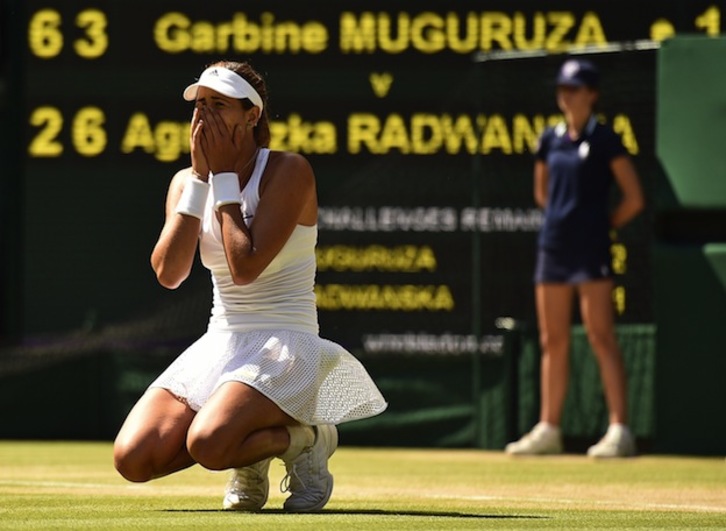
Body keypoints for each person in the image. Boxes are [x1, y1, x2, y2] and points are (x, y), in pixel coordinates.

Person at [113, 60, 388, 511]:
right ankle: (260, 441)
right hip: (222, 341)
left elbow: (246, 267)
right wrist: (202, 182)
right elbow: (169, 273)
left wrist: (221, 178)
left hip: (286, 342)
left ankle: (304, 441)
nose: (203, 116)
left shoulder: (289, 170)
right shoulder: (185, 182)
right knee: (133, 458)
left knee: (209, 443)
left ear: (252, 115)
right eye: (199, 105)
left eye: (218, 105)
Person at [505, 59, 644, 458]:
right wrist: (563, 225)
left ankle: (620, 429)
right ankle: (549, 428)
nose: (566, 96)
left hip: (592, 250)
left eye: (574, 89)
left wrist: (603, 227)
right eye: (562, 89)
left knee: (601, 336)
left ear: (591, 95)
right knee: (552, 339)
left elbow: (634, 198)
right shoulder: (549, 139)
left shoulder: (605, 139)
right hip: (553, 247)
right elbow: (541, 194)